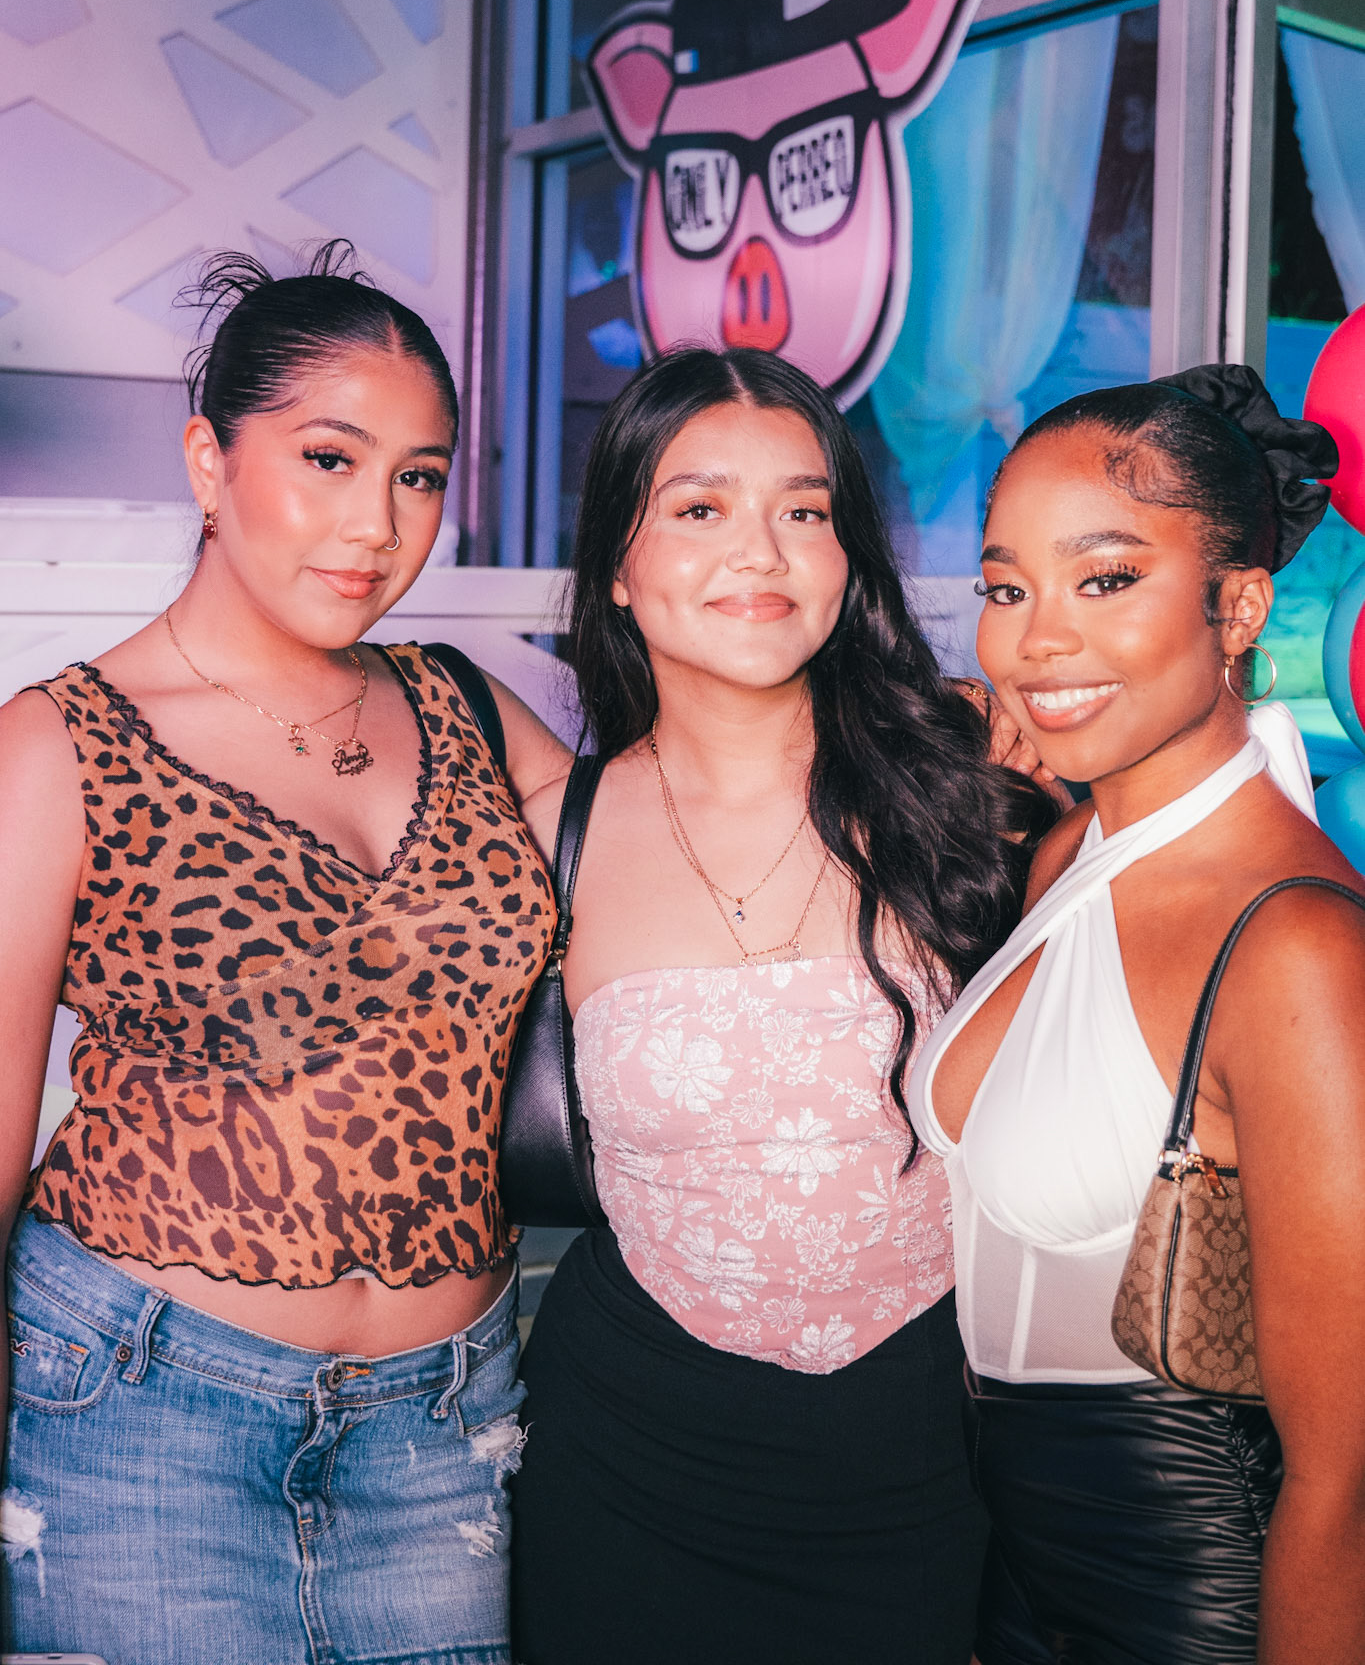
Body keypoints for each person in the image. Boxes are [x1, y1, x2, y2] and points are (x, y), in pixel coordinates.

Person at [0, 246, 568, 1665]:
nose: (376, 525)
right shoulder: (58, 747)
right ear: (210, 460)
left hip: (443, 1427)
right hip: (139, 1411)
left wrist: (909, 750)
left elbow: (686, 855)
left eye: (419, 476)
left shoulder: (468, 710)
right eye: (329, 458)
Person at [510, 347, 1056, 1665]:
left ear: (846, 557)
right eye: (699, 508)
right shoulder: (547, 831)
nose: (759, 551)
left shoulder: (982, 774)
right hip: (627, 1467)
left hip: (934, 1459)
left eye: (803, 510)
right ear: (619, 562)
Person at [908, 366, 1365, 1665]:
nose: (1035, 642)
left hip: (1195, 1593)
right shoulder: (1066, 848)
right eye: (1007, 589)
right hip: (1015, 1569)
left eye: (1104, 580)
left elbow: (1346, 1480)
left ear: (1240, 607)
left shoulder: (1297, 950)